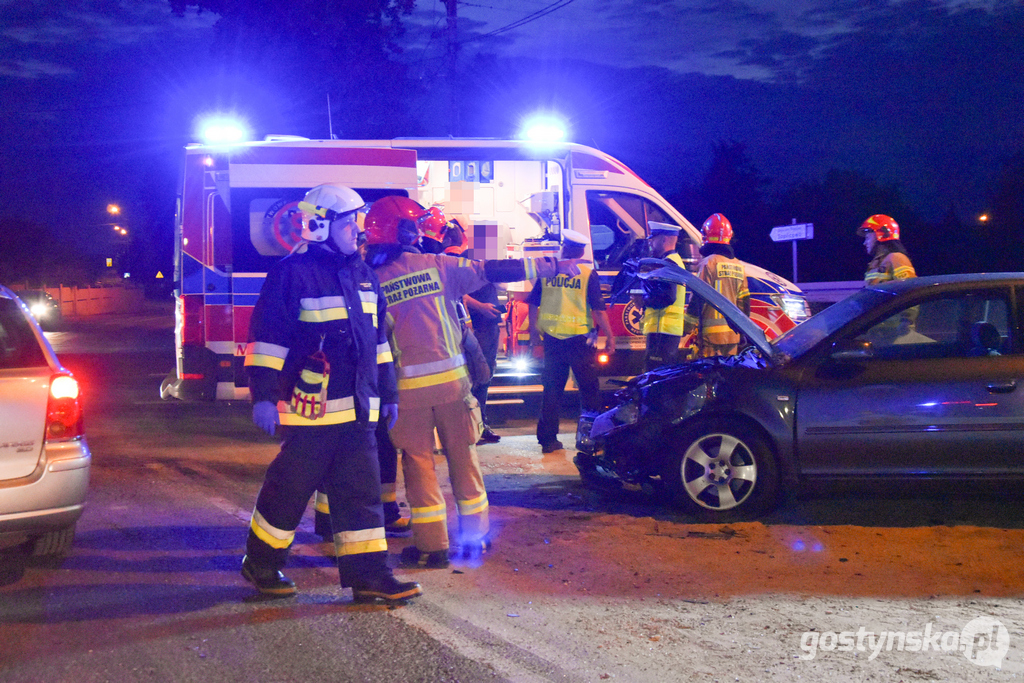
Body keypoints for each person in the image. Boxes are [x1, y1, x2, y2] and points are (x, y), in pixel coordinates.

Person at [363, 195, 583, 568]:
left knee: (418, 465)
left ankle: (432, 548)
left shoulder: (370, 281)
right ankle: (475, 539)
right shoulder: (439, 265)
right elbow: (495, 270)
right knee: (464, 459)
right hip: (453, 387)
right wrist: (551, 265)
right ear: (409, 231)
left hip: (406, 393)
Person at [241, 183, 421, 603]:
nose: (358, 230)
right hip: (311, 411)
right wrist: (264, 396)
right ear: (320, 225)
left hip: (358, 410)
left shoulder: (362, 273)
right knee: (289, 489)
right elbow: (268, 339)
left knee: (362, 494)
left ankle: (370, 576)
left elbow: (378, 342)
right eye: (350, 221)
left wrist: (388, 393)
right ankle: (262, 563)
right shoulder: (291, 273)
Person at [527, 229, 616, 454]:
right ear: (582, 251)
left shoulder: (549, 269)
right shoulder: (587, 273)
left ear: (564, 248)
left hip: (552, 340)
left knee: (552, 390)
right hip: (580, 341)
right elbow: (598, 309)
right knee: (589, 391)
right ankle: (590, 440)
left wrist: (534, 333)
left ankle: (548, 441)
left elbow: (532, 303)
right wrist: (610, 336)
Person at [683, 213, 750, 358]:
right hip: (733, 337)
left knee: (708, 376)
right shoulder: (739, 266)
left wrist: (686, 326)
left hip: (710, 338)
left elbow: (698, 299)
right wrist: (744, 332)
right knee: (727, 376)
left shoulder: (708, 264)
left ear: (706, 236)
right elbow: (744, 304)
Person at [637, 221, 687, 370]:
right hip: (665, 331)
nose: (651, 242)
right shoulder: (673, 261)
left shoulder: (669, 264)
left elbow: (668, 297)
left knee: (655, 377)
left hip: (663, 330)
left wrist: (644, 301)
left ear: (664, 239)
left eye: (654, 238)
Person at [857, 214, 916, 284]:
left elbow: (909, 288)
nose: (865, 243)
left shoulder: (897, 258)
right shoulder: (874, 264)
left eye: (867, 238)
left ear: (881, 234)